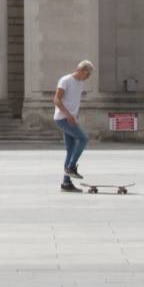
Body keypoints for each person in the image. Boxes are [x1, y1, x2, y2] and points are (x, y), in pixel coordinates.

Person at [53, 60, 94, 193]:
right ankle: (71, 168)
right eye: (87, 74)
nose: (88, 78)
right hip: (62, 118)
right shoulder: (65, 80)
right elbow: (56, 100)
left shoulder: (80, 83)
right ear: (81, 70)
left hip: (71, 119)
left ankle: (66, 183)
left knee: (70, 151)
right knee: (83, 138)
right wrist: (68, 115)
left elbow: (74, 101)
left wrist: (75, 116)